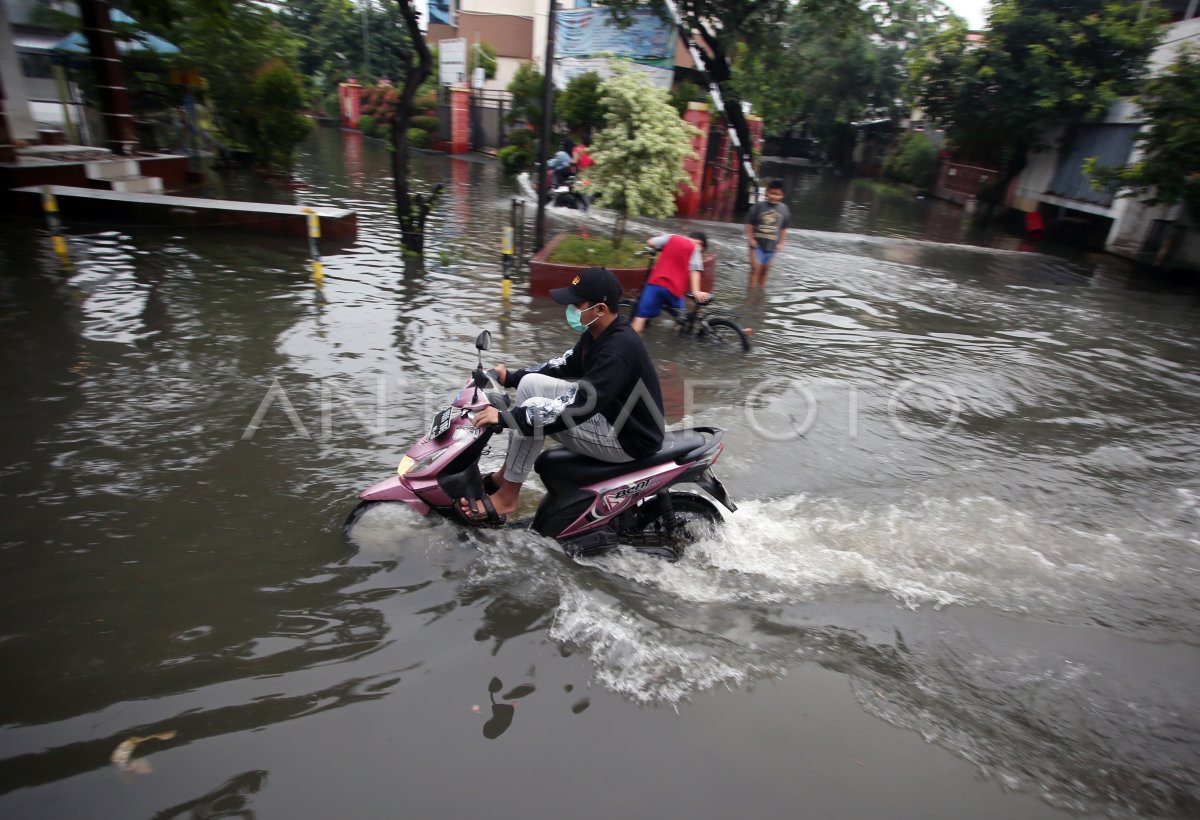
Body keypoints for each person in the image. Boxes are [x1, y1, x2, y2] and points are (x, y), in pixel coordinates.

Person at [459, 267, 665, 524]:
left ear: (600, 309)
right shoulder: (599, 334)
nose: (570, 309)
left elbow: (578, 406)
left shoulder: (617, 350)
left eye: (577, 304)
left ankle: (508, 496)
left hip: (628, 439)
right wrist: (511, 377)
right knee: (531, 385)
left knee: (533, 409)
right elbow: (564, 365)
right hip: (610, 415)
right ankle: (505, 477)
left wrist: (505, 417)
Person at [631, 232, 710, 334]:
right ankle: (679, 331)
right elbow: (695, 269)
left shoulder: (671, 237)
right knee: (682, 316)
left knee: (640, 316)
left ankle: (628, 345)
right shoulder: (695, 248)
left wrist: (662, 247)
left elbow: (650, 242)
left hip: (655, 284)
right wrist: (696, 291)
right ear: (699, 243)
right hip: (674, 290)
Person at [745, 178, 790, 288]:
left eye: (777, 194)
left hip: (772, 246)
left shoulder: (784, 209)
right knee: (755, 269)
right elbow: (749, 224)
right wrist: (751, 238)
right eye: (772, 193)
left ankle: (760, 292)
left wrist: (781, 243)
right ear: (766, 193)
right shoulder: (758, 207)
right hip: (757, 245)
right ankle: (750, 296)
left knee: (765, 271)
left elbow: (784, 228)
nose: (774, 196)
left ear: (782, 195)